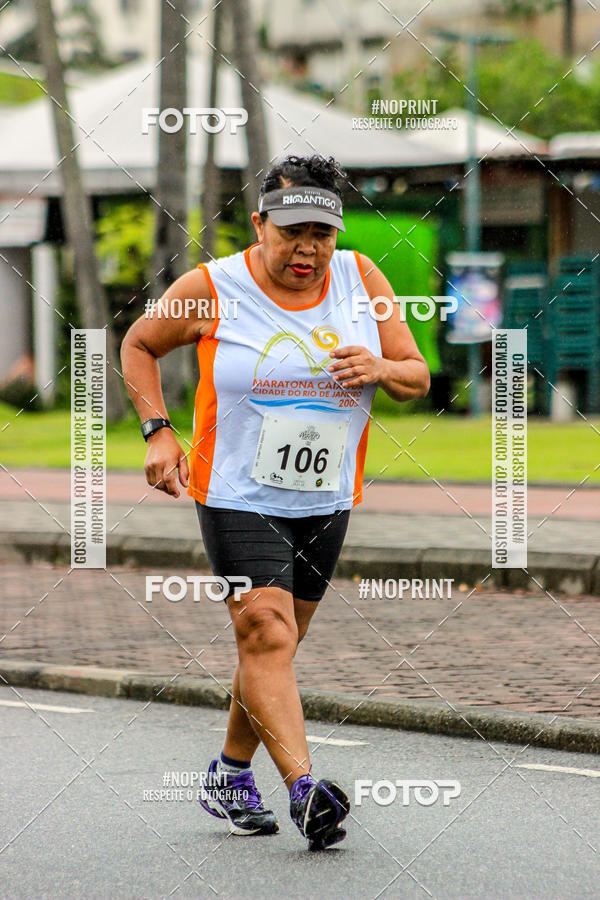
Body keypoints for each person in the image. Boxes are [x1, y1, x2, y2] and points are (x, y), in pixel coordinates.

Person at [120, 154, 430, 850]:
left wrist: (381, 366)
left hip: (325, 495)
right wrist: (158, 431)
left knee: (273, 652)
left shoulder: (361, 279)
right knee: (266, 632)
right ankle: (305, 791)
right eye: (291, 231)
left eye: (322, 231)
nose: (307, 248)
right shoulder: (214, 287)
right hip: (232, 490)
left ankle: (230, 773)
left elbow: (416, 374)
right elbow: (138, 344)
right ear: (259, 224)